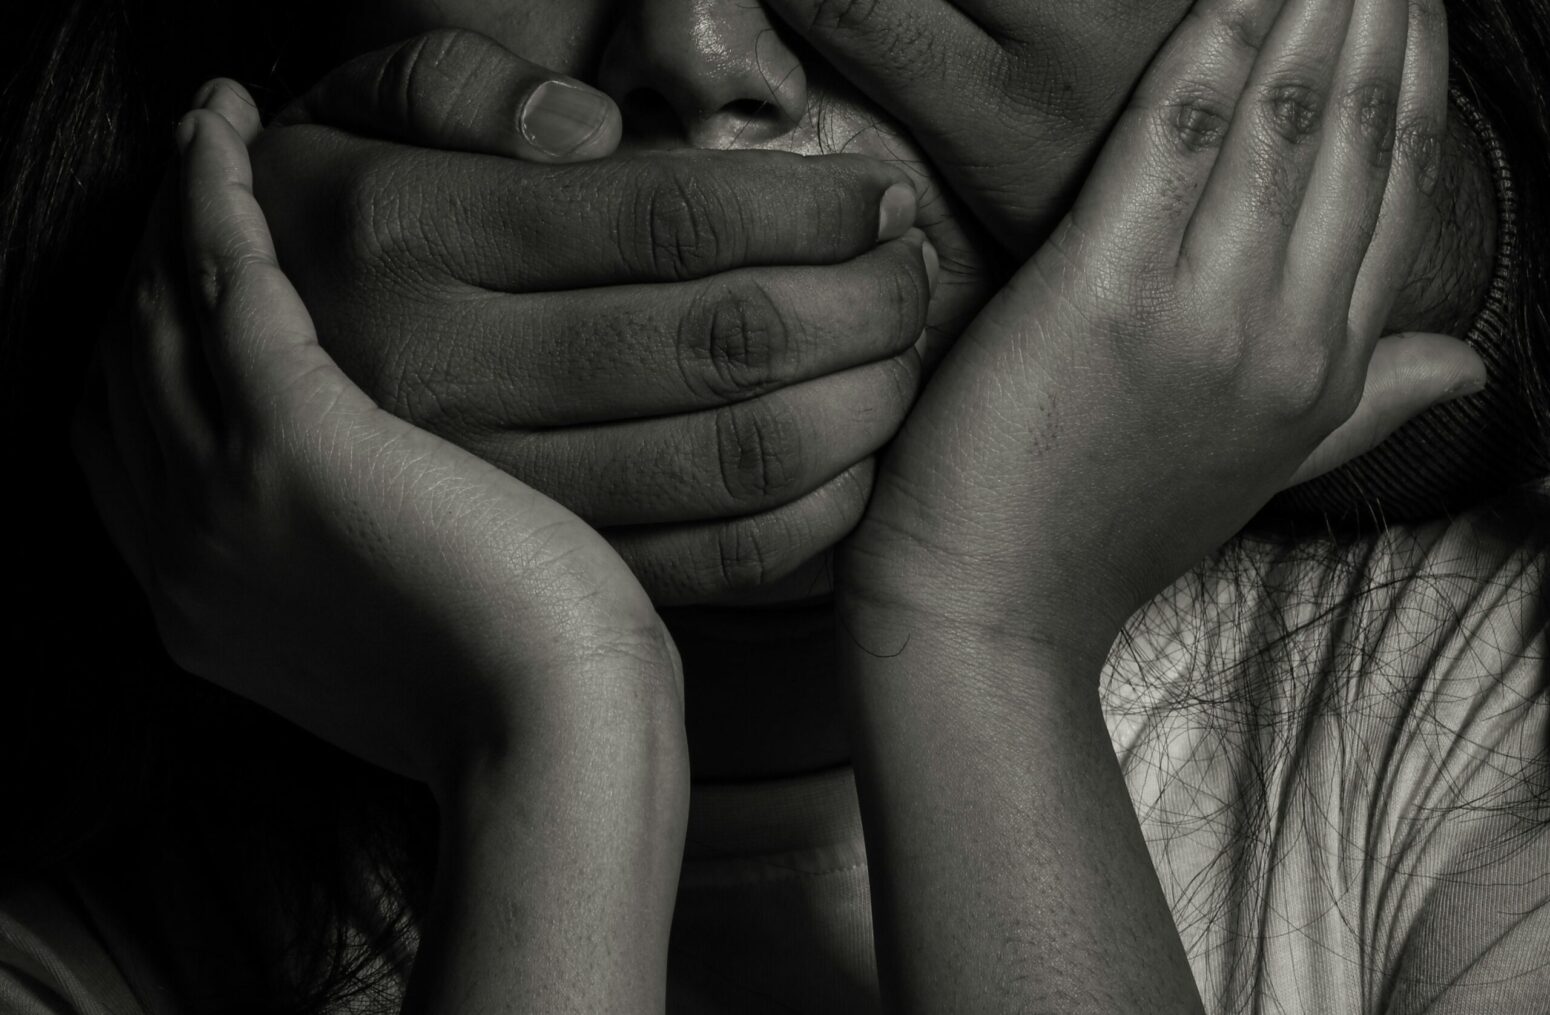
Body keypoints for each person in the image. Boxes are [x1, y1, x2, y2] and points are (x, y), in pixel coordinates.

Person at [1, 0, 1545, 1012]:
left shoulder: (1472, 731)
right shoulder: (104, 934)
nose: (697, 47)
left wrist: (979, 639)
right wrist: (551, 737)